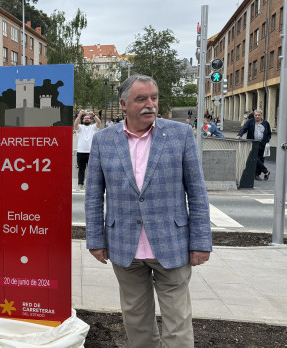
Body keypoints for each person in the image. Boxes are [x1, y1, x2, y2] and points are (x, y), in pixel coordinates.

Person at [85, 74, 212, 348]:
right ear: (123, 104)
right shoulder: (103, 141)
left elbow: (198, 192)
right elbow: (94, 195)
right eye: (141, 99)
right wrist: (95, 240)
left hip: (172, 244)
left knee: (177, 321)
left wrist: (201, 242)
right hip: (124, 246)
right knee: (136, 319)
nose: (150, 105)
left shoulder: (179, 135)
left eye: (153, 98)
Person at [236, 109, 271, 181]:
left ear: (261, 115)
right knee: (255, 158)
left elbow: (269, 133)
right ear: (254, 115)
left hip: (262, 144)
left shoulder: (266, 123)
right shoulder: (250, 122)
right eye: (256, 115)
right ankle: (266, 171)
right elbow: (243, 129)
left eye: (259, 115)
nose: (257, 116)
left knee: (260, 159)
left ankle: (257, 175)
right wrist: (239, 135)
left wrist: (266, 140)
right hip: (252, 143)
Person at [74, 110, 101, 190]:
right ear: (82, 120)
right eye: (85, 118)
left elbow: (99, 122)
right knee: (81, 170)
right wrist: (79, 115)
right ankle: (80, 184)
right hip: (81, 152)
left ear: (91, 120)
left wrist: (93, 115)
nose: (86, 119)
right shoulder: (80, 128)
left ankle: (90, 184)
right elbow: (75, 124)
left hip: (92, 152)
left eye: (88, 118)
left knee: (91, 170)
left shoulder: (93, 128)